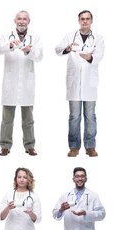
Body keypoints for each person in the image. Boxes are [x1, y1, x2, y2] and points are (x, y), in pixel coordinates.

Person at [0, 11, 43, 157]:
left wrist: (29, 51)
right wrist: (9, 46)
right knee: (7, 119)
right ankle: (5, 146)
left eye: (24, 19)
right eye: (19, 19)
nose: (21, 21)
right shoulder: (6, 36)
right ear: (15, 20)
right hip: (10, 83)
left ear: (29, 21)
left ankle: (30, 145)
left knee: (28, 119)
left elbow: (39, 56)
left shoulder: (35, 37)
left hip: (27, 83)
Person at [55, 10, 104, 157]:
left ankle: (90, 146)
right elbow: (57, 49)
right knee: (74, 116)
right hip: (74, 83)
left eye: (87, 19)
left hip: (90, 83)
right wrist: (68, 48)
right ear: (78, 20)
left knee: (90, 116)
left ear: (91, 21)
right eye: (82, 19)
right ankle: (74, 147)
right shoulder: (70, 36)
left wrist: (90, 57)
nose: (85, 21)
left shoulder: (98, 38)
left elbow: (100, 55)